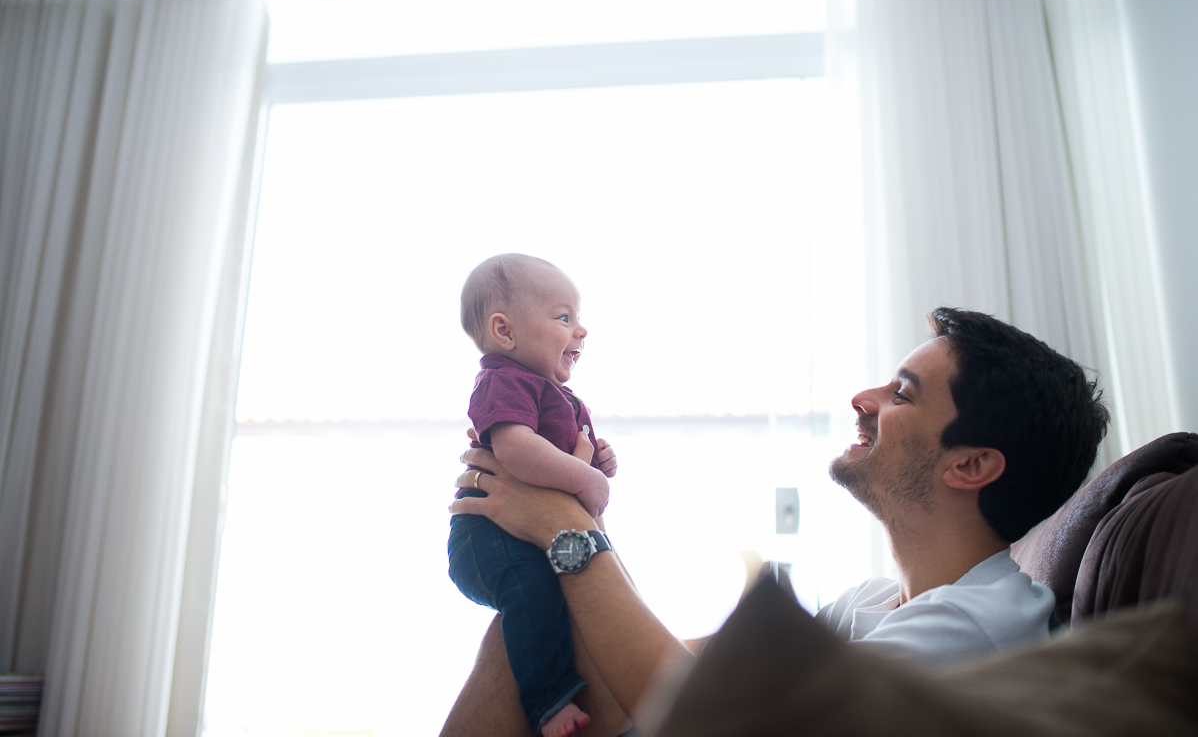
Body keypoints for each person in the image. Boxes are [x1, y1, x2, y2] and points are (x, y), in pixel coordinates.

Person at [444, 308, 1109, 736]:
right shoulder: (875, 604)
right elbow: (694, 670)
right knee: (533, 629)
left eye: (902, 393)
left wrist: (565, 529)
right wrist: (562, 516)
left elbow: (707, 718)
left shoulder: (972, 628)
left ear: (970, 467)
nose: (864, 398)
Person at [449, 254, 619, 737]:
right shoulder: (503, 381)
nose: (580, 330)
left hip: (530, 533)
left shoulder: (560, 397)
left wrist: (596, 463)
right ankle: (549, 702)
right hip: (487, 538)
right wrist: (585, 479)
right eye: (564, 318)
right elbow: (517, 451)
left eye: (579, 318)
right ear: (505, 333)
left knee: (570, 603)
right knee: (533, 592)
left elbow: (566, 463)